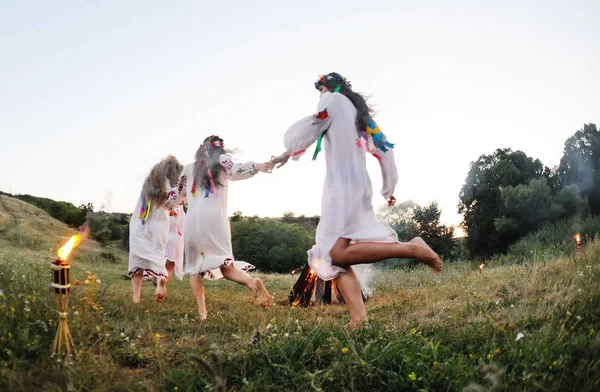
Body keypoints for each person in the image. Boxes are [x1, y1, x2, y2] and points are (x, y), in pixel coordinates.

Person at [271, 73, 442, 327]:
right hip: (359, 186)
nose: (320, 95)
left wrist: (289, 149)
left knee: (329, 253)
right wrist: (388, 186)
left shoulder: (331, 99)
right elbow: (384, 147)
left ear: (325, 87)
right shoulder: (359, 113)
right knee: (331, 256)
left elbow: (313, 126)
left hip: (340, 189)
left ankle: (411, 248)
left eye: (320, 90)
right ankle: (358, 318)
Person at [177, 136, 274, 320]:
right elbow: (236, 170)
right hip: (216, 220)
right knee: (227, 267)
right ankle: (252, 283)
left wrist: (172, 204)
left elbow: (178, 194)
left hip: (193, 222)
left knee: (194, 269)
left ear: (201, 149)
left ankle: (202, 313)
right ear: (220, 149)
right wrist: (260, 166)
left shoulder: (188, 168)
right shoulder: (222, 160)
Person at [128, 155, 184, 303]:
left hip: (139, 224)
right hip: (158, 225)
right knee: (158, 254)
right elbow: (171, 202)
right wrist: (176, 204)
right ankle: (160, 285)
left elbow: (151, 204)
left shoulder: (149, 184)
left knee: (137, 259)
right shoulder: (169, 185)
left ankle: (136, 296)